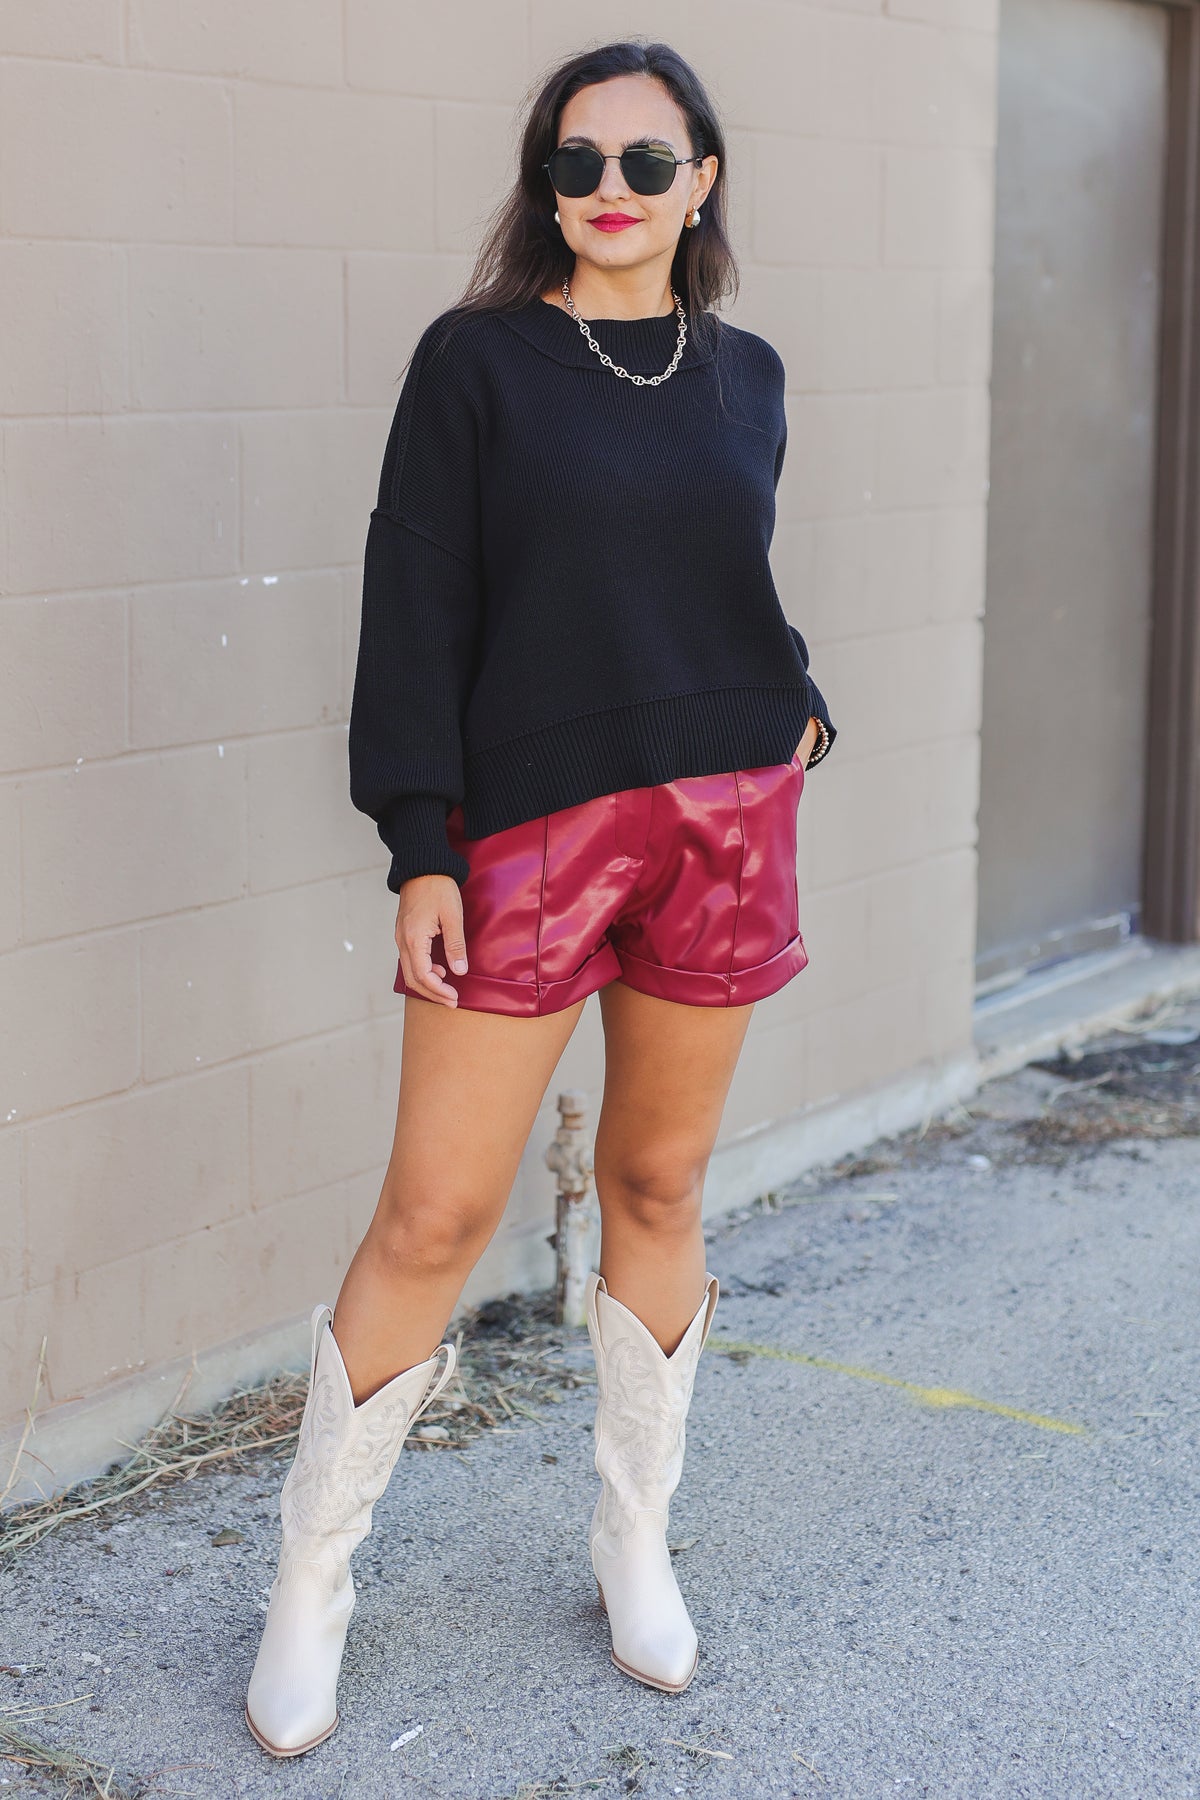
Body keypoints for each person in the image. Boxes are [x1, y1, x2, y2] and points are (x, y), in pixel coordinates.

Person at [244, 36, 838, 1758]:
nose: (611, 190)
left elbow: (712, 575)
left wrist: (797, 697)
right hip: (531, 835)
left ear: (701, 183)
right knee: (434, 1214)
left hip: (726, 817)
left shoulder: (749, 375)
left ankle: (633, 1539)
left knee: (657, 1179)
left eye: (649, 162)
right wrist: (419, 841)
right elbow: (417, 599)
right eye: (579, 162)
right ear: (546, 183)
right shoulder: (478, 362)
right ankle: (311, 1584)